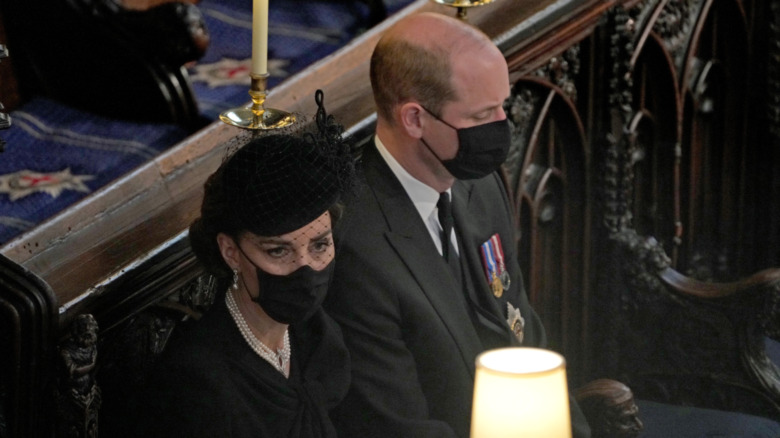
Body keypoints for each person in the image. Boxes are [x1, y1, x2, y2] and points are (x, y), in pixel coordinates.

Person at [324, 12, 591, 437]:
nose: (501, 125)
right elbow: (398, 424)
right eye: (482, 113)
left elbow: (522, 332)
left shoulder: (479, 185)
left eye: (503, 104)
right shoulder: (358, 246)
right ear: (414, 119)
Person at [133, 91, 356, 438]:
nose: (306, 267)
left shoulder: (317, 336)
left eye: (319, 245)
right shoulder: (197, 384)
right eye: (278, 251)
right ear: (230, 251)